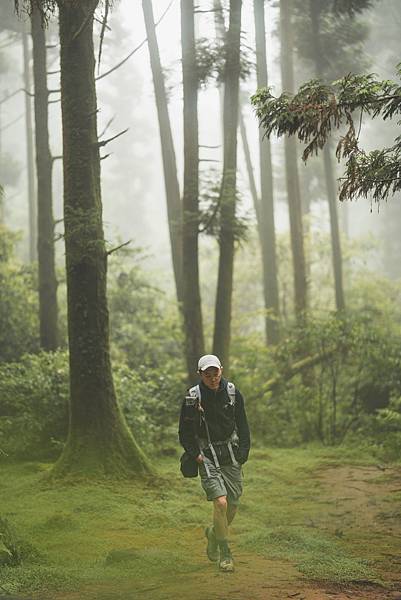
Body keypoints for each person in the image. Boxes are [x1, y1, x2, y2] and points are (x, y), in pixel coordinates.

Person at [179, 354, 251, 572]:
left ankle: (213, 534)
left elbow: (243, 424)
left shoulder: (232, 392)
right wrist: (195, 454)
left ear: (221, 370)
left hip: (231, 453)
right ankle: (225, 554)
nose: (212, 378)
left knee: (233, 504)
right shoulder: (193, 397)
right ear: (200, 374)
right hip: (207, 454)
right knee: (220, 503)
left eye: (215, 373)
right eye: (207, 375)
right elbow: (184, 432)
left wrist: (244, 452)